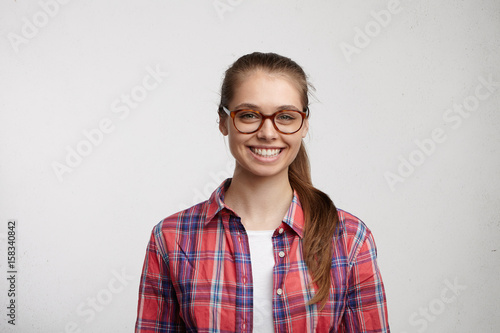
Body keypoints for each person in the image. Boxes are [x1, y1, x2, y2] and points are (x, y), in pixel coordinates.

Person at [135, 52, 390, 332]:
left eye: (285, 116)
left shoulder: (350, 239)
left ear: (304, 124)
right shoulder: (171, 238)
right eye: (248, 115)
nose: (268, 132)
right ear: (223, 121)